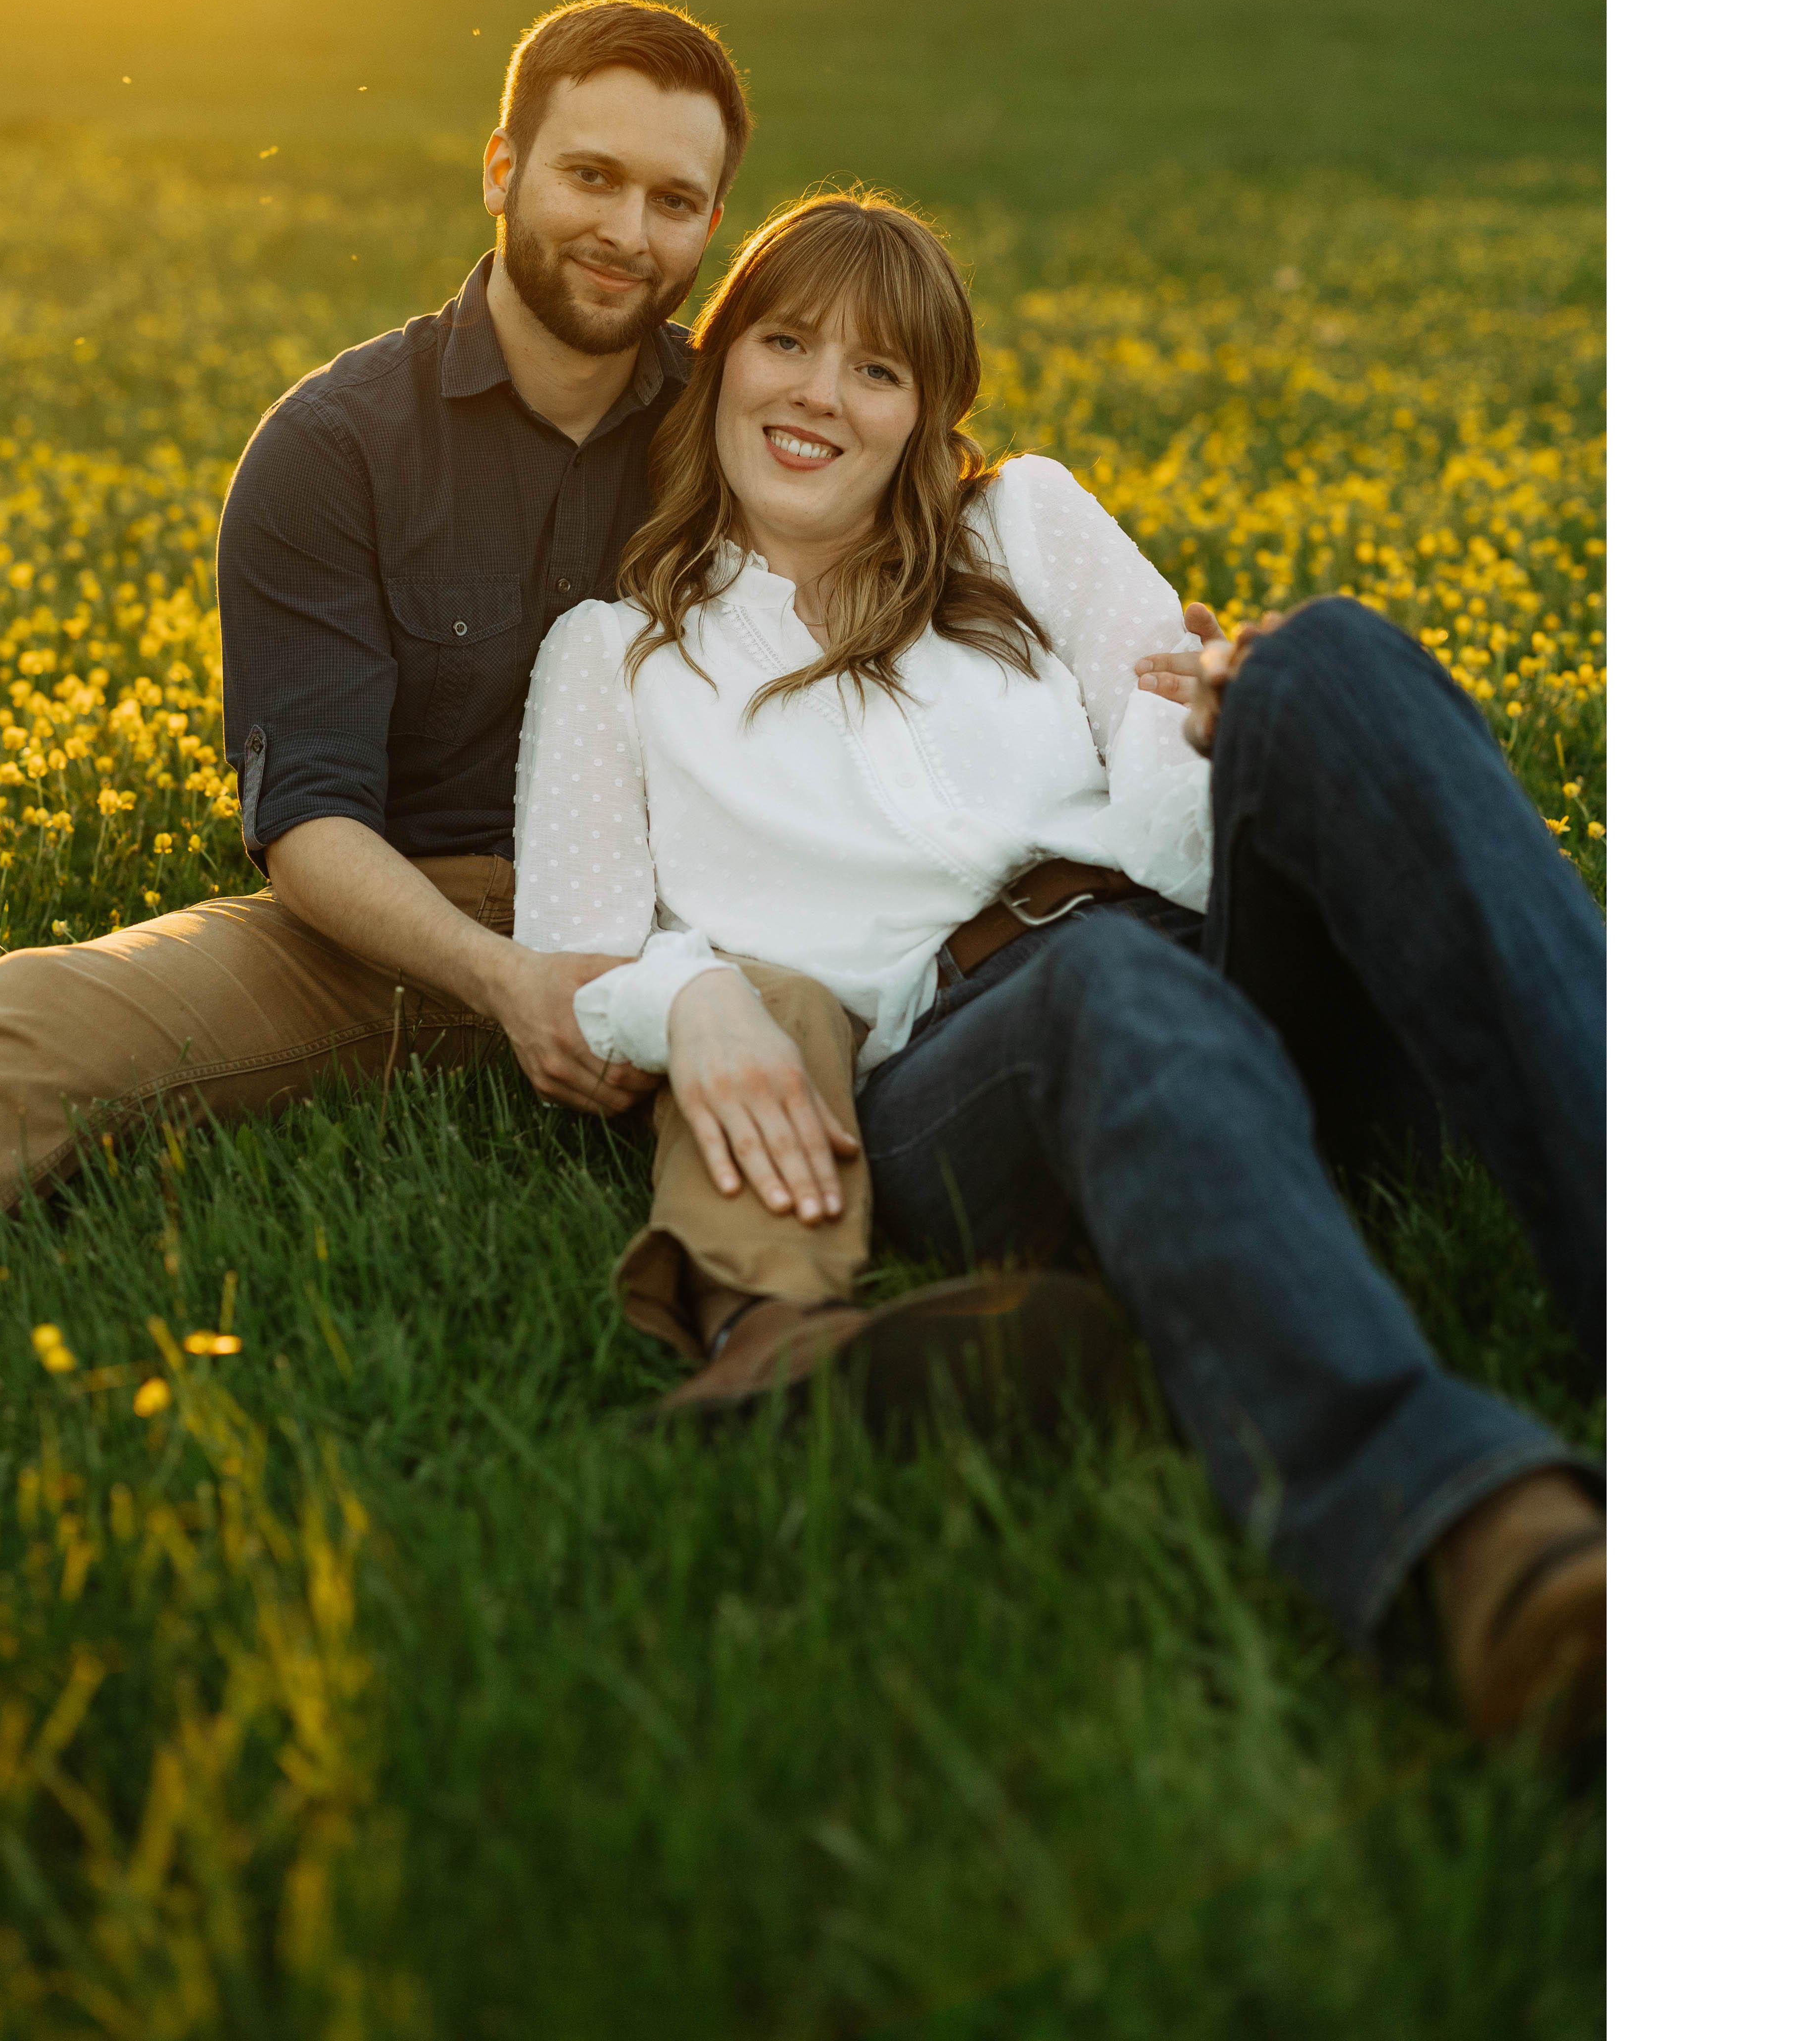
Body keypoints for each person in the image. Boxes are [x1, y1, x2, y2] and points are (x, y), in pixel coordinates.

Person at [511, 192, 1607, 1744]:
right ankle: (1476, 1535)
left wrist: (1236, 720)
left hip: (1196, 950)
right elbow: (572, 968)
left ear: (924, 416)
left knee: (1322, 660)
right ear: (719, 366)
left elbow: (1159, 742)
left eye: (880, 373)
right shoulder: (618, 658)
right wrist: (688, 995)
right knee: (1106, 986)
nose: (823, 392)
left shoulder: (1021, 524)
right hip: (974, 1072)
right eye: (787, 341)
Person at [0, 0, 857, 1294]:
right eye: (591, 177)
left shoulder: (746, 428)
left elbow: (959, 550)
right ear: (503, 169)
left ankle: (761, 1342)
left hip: (684, 920)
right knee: (48, 1002)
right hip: (391, 935)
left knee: (793, 1014)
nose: (629, 234)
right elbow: (308, 822)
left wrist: (1165, 659)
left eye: (676, 201)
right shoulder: (339, 446)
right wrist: (503, 979)